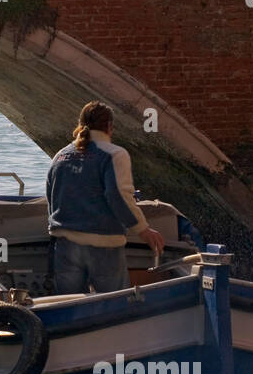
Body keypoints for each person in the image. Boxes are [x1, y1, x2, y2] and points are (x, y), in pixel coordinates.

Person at [45, 101, 166, 295]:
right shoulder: (115, 154)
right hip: (104, 244)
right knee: (115, 302)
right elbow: (117, 196)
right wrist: (143, 230)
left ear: (80, 123)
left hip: (64, 244)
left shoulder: (60, 156)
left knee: (69, 302)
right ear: (109, 126)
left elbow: (52, 197)